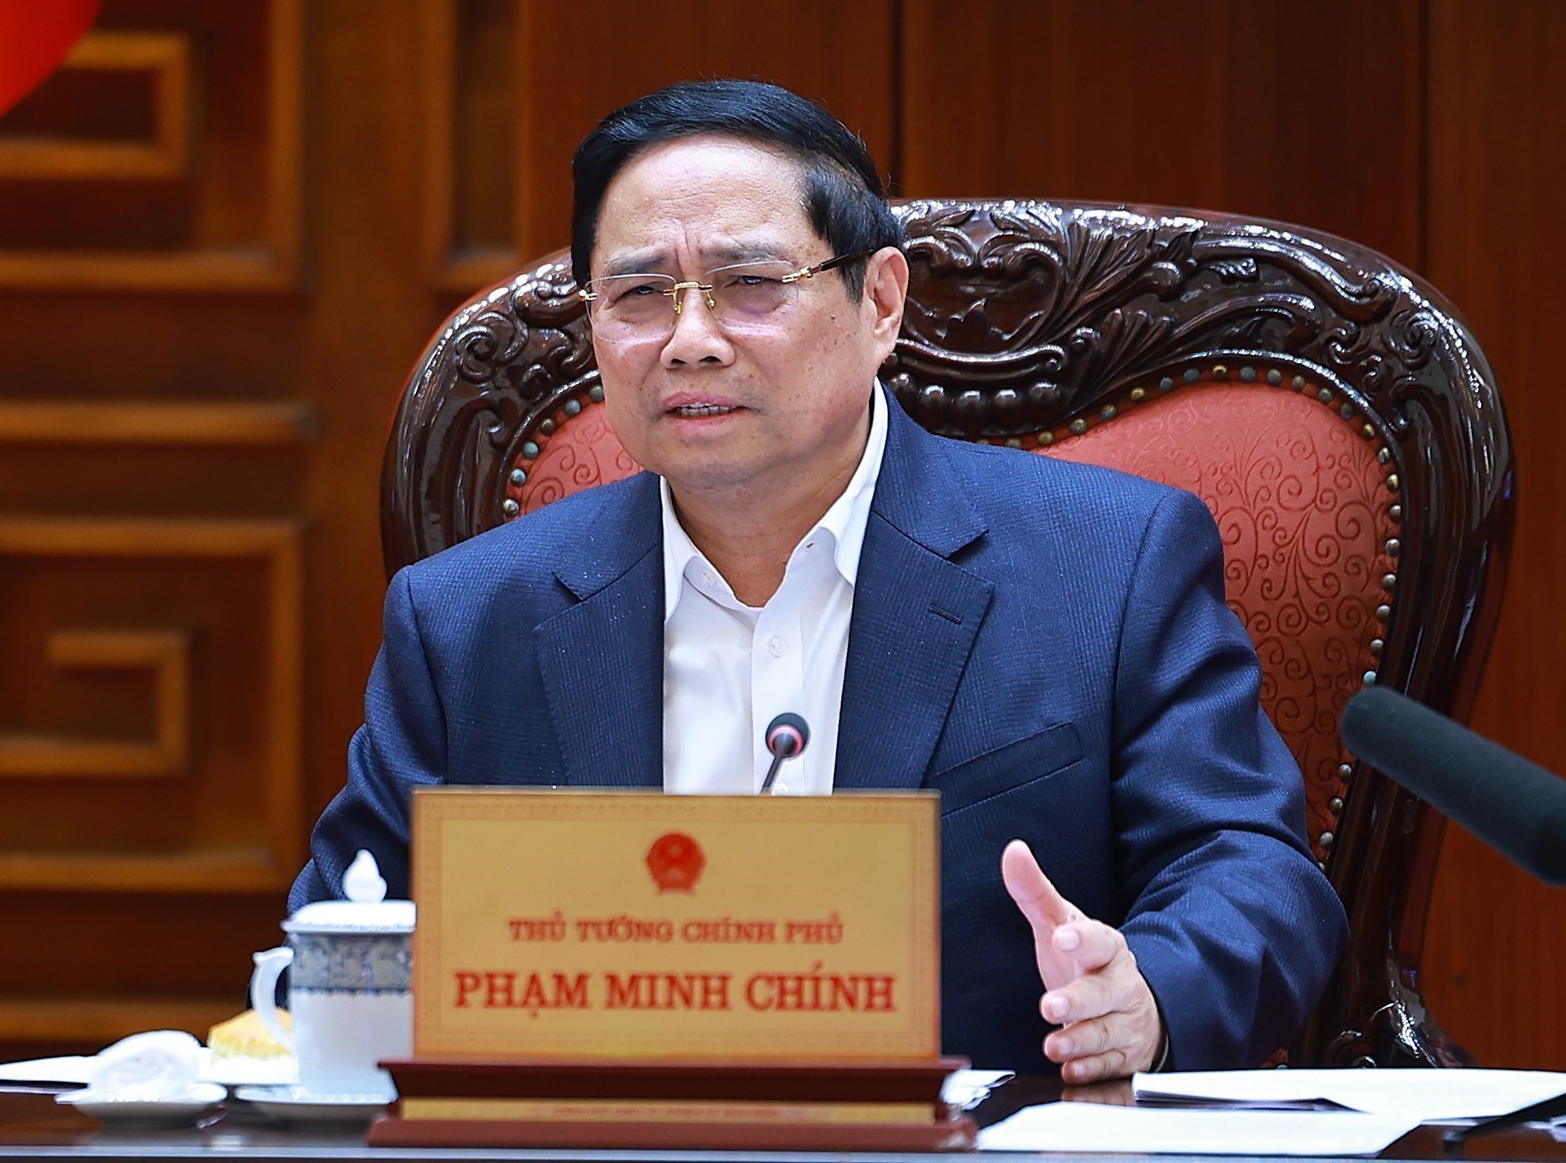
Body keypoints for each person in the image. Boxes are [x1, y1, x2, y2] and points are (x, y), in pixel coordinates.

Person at [293, 79, 1347, 1082]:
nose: (690, 341)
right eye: (640, 294)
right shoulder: (468, 619)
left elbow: (1249, 870)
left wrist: (1146, 992)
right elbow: (339, 943)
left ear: (879, 301)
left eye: (750, 285)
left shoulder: (1108, 566)